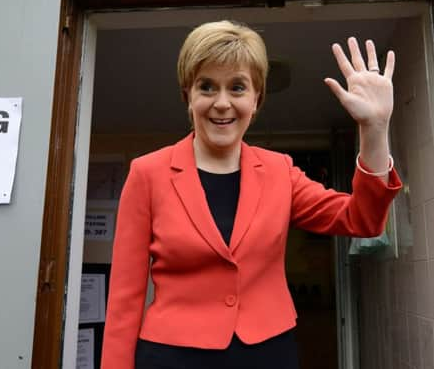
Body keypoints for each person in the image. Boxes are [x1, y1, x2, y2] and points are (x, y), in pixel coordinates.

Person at [100, 20, 402, 369]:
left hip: (268, 354)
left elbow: (362, 219)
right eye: (207, 87)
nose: (222, 103)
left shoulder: (280, 171)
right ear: (188, 95)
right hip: (171, 356)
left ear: (256, 99)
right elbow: (124, 300)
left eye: (238, 88)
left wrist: (375, 130)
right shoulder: (147, 174)